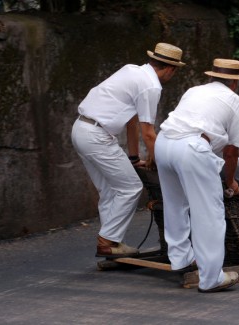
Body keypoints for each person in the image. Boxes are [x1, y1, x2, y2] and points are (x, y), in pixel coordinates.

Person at [71, 42, 185, 258]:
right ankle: (107, 241)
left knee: (110, 190)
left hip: (81, 129)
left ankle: (113, 244)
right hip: (97, 136)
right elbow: (149, 133)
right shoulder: (151, 86)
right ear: (170, 69)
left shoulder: (131, 70)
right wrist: (165, 163)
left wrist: (133, 158)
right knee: (130, 187)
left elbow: (132, 122)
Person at [155, 58, 239, 293]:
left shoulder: (194, 90)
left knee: (175, 204)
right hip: (193, 147)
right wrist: (230, 181)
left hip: (163, 143)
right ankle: (211, 278)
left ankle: (181, 259)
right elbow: (231, 151)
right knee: (209, 212)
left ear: (211, 77)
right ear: (235, 83)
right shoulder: (236, 101)